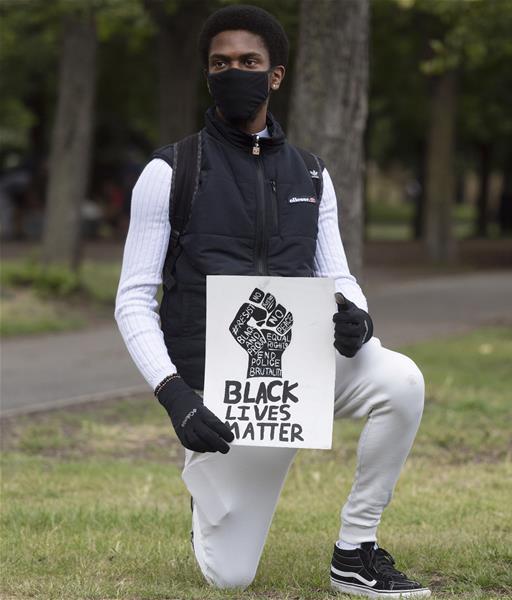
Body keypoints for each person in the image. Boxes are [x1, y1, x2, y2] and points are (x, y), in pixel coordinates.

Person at [114, 5, 430, 597]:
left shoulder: (312, 174)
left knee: (400, 379)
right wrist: (174, 394)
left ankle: (355, 549)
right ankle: (207, 483)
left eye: (249, 62)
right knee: (230, 577)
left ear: (275, 76)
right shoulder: (169, 171)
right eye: (221, 63)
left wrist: (355, 317)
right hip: (220, 398)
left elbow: (336, 274)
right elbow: (133, 299)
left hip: (300, 376)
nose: (235, 72)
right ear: (208, 75)